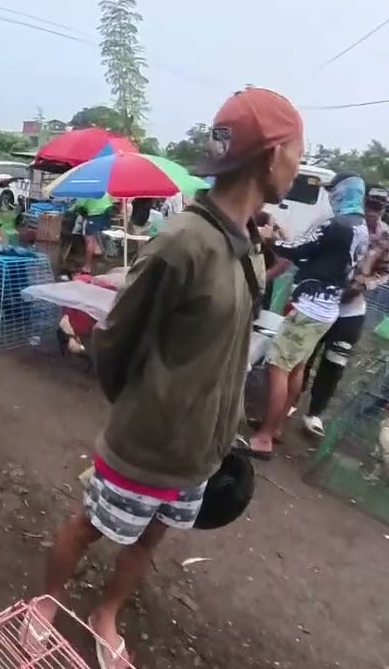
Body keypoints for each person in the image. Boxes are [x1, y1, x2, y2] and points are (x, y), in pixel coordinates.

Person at [29, 87, 303, 669]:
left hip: (201, 450)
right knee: (89, 526)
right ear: (271, 155)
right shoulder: (183, 242)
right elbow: (113, 342)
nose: (299, 167)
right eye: (298, 153)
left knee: (151, 537)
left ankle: (106, 616)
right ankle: (43, 606)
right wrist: (145, 411)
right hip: (145, 443)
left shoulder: (249, 246)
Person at [246, 172, 366, 458]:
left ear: (344, 191)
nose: (329, 196)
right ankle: (275, 427)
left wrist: (268, 239)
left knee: (278, 367)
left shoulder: (337, 224)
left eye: (332, 190)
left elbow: (298, 249)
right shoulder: (359, 225)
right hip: (327, 309)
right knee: (296, 366)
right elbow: (315, 255)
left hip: (310, 307)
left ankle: (263, 438)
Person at [295, 183, 389, 436]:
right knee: (305, 353)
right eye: (370, 204)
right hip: (319, 301)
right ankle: (290, 401)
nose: (373, 211)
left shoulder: (385, 235)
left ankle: (314, 413)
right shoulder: (336, 223)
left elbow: (384, 272)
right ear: (361, 201)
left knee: (335, 361)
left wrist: (363, 285)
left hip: (351, 308)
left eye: (379, 206)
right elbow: (309, 253)